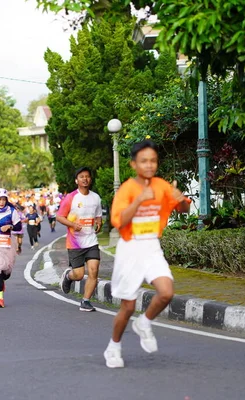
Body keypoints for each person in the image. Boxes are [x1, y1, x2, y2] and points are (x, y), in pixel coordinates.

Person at [103, 140, 190, 368]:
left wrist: (180, 200)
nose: (149, 165)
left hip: (152, 247)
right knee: (128, 306)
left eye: (153, 160)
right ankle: (114, 346)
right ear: (134, 164)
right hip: (130, 249)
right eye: (144, 161)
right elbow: (118, 221)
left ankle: (144, 322)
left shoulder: (162, 186)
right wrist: (139, 200)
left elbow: (183, 209)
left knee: (166, 292)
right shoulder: (127, 189)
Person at [57, 167, 103, 312]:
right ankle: (68, 276)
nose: (85, 179)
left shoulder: (95, 197)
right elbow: (59, 217)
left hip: (91, 241)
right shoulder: (71, 197)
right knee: (79, 275)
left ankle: (85, 301)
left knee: (94, 271)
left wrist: (99, 222)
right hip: (75, 242)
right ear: (76, 180)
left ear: (90, 179)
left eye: (87, 176)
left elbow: (98, 214)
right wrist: (72, 225)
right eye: (81, 176)